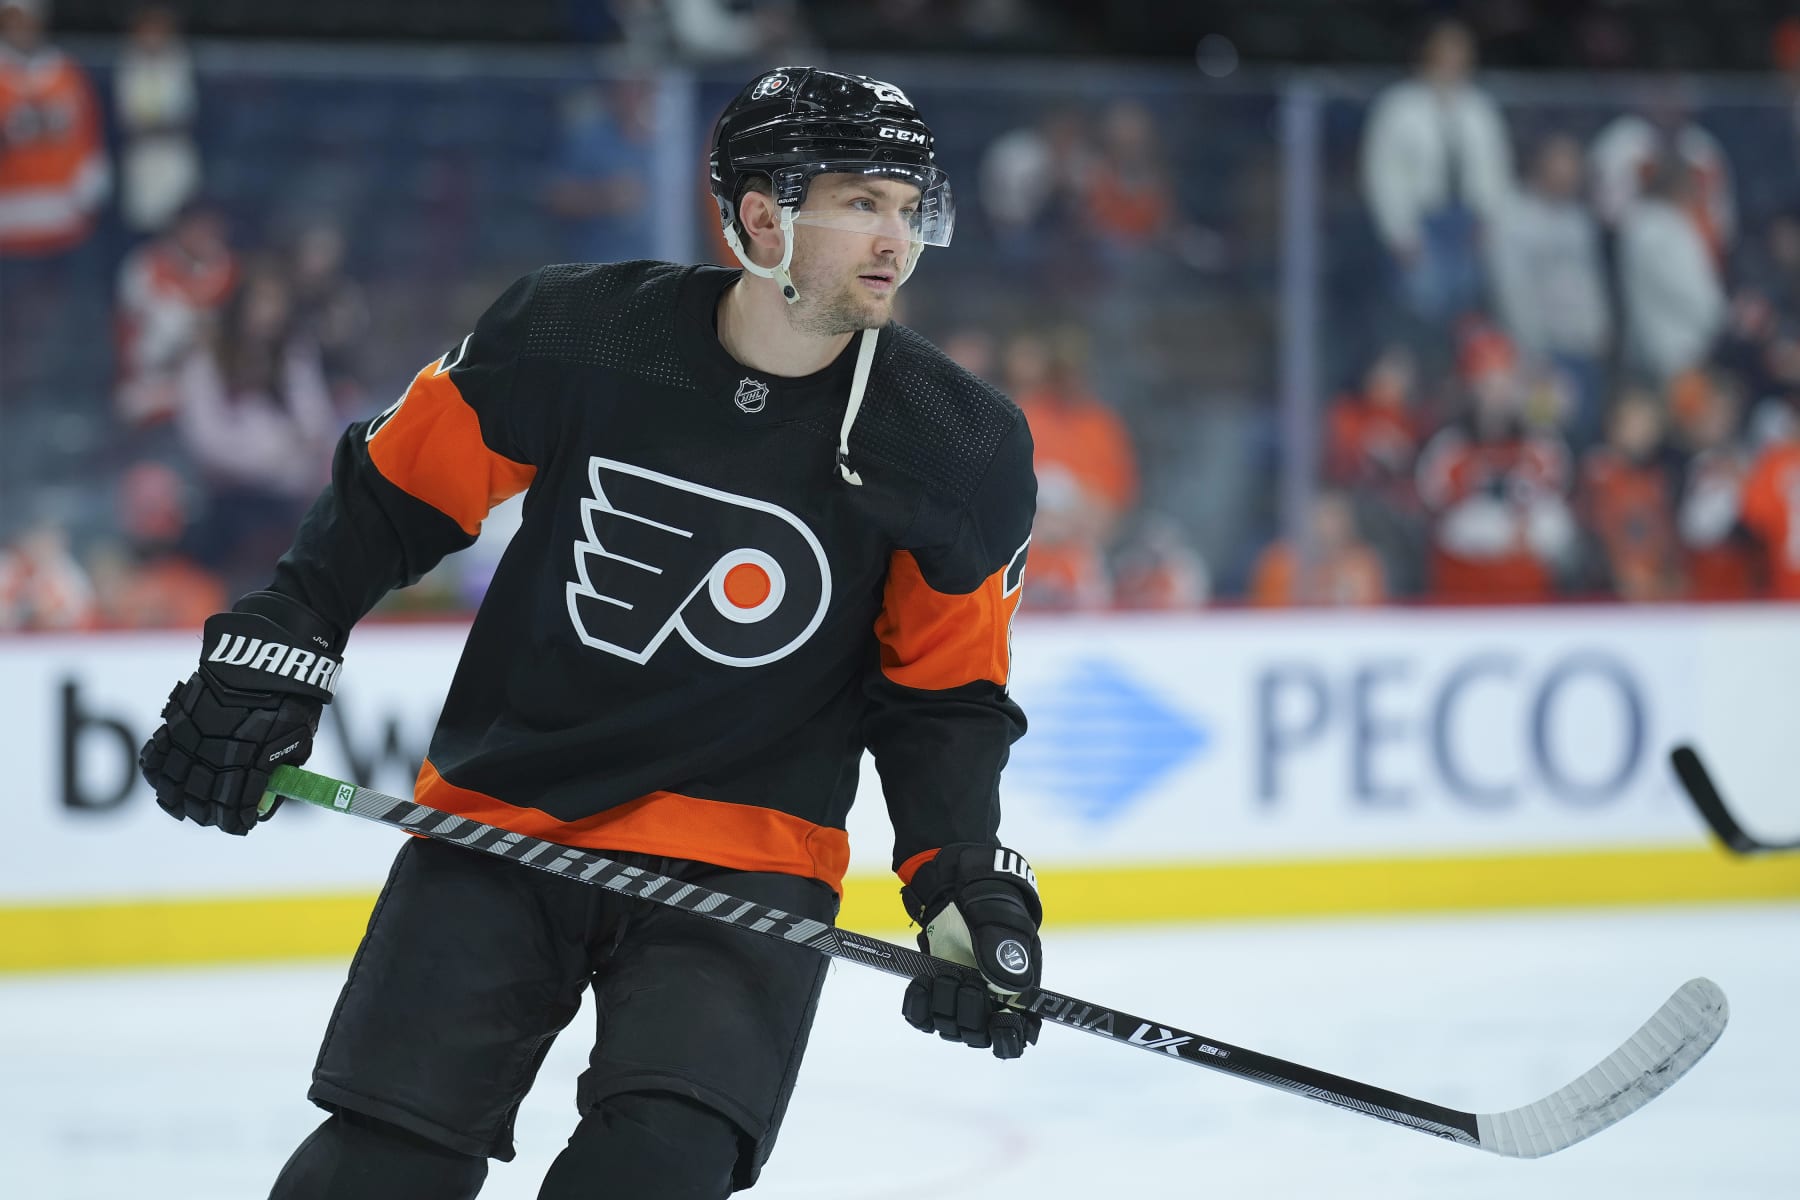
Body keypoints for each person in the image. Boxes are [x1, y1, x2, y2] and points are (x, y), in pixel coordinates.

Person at [137, 66, 1044, 1200]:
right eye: (862, 202)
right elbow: (392, 496)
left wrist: (963, 879)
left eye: (910, 209)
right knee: (378, 1170)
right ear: (761, 215)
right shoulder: (576, 332)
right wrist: (285, 632)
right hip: (510, 818)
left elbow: (942, 698)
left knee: (652, 1170)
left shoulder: (958, 447)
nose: (894, 240)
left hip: (745, 862)